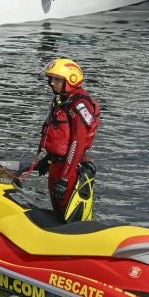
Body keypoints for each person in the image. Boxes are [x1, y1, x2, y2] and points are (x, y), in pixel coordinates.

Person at [26, 58, 100, 223]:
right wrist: (48, 158)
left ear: (71, 80)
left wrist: (65, 178)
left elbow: (77, 143)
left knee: (69, 218)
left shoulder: (79, 105)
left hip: (70, 169)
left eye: (57, 79)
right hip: (57, 166)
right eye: (50, 79)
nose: (52, 83)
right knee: (58, 214)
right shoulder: (61, 100)